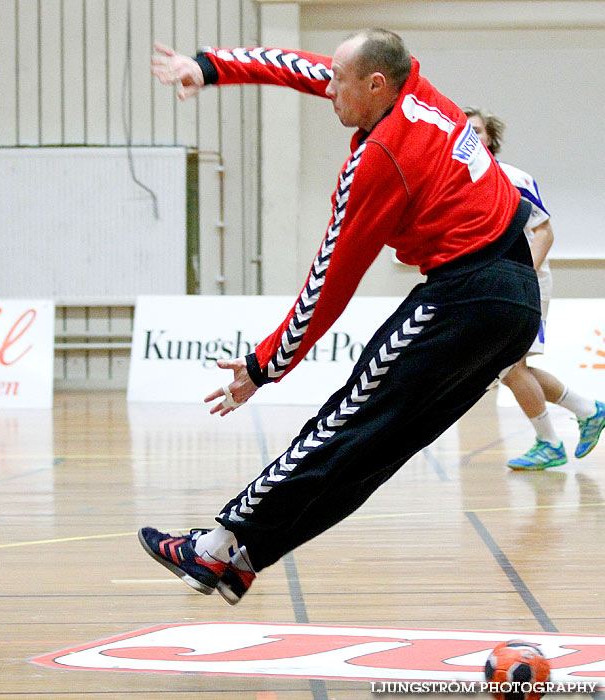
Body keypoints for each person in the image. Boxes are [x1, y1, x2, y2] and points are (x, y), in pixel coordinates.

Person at [138, 29, 543, 606]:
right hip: (516, 298)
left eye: (339, 81)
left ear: (375, 84)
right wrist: (210, 67)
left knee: (345, 422)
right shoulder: (417, 90)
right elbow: (304, 67)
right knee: (373, 447)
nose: (327, 89)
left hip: (466, 294)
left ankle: (218, 546)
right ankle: (242, 557)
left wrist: (263, 365)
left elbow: (329, 285)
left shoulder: (381, 159)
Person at [465, 108, 604, 470]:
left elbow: (544, 232)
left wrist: (523, 277)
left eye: (478, 130)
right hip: (495, 284)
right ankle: (587, 412)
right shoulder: (459, 183)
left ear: (490, 138)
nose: (472, 136)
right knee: (511, 367)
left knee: (509, 367)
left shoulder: (511, 178)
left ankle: (552, 441)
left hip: (526, 281)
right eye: (465, 130)